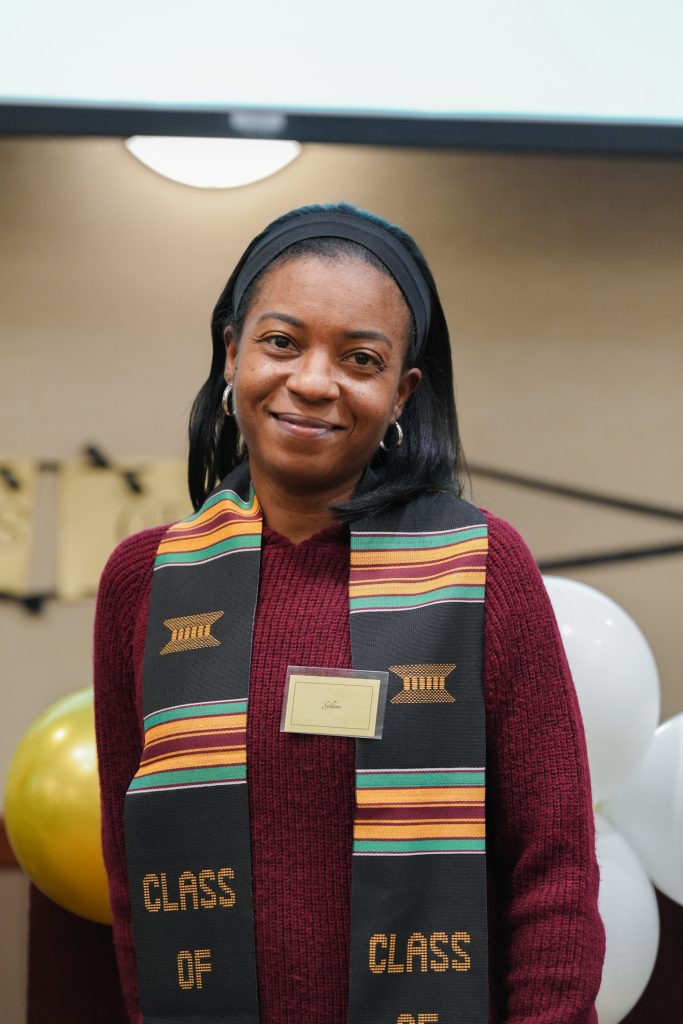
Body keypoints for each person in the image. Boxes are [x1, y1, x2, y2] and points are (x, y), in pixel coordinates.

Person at [93, 201, 606, 1024]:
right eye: (281, 341)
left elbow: (554, 871)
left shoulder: (479, 567)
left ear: (400, 391)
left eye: (359, 357)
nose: (312, 381)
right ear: (231, 353)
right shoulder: (144, 581)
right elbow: (133, 885)